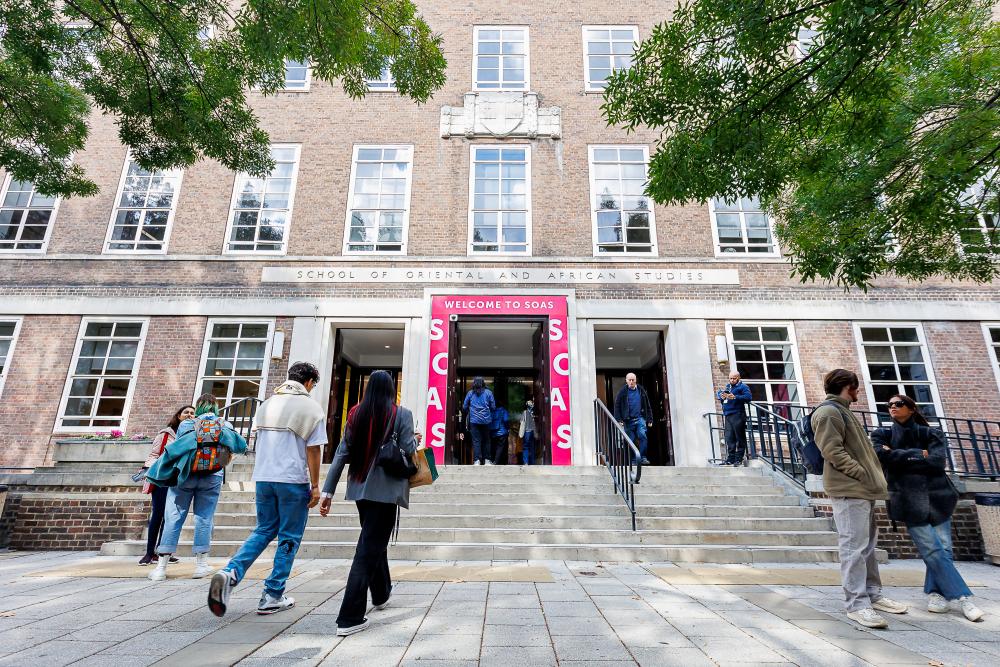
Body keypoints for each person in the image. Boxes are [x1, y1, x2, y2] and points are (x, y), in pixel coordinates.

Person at [208, 362, 326, 617]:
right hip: (292, 480)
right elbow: (314, 449)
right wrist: (316, 485)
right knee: (289, 537)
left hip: (263, 477)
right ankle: (273, 594)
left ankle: (231, 572)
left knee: (264, 529)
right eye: (314, 384)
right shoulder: (311, 408)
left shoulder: (267, 404)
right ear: (308, 382)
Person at [318, 370, 419, 636]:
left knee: (373, 541)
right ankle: (349, 617)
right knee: (367, 550)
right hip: (385, 491)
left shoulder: (355, 414)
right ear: (390, 388)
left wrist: (327, 492)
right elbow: (409, 450)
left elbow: (341, 454)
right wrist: (415, 440)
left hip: (360, 489)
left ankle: (382, 592)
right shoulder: (402, 414)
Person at [872, 394, 984, 622]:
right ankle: (963, 597)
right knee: (932, 550)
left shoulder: (932, 432)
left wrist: (898, 456)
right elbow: (881, 456)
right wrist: (917, 455)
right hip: (908, 500)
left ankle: (935, 594)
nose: (893, 407)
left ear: (912, 408)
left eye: (898, 404)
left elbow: (936, 462)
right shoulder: (881, 434)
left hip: (938, 496)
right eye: (889, 405)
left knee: (944, 548)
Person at [812, 369, 908, 629]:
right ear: (847, 386)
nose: (859, 391)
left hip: (862, 489)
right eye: (856, 386)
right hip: (849, 488)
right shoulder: (828, 412)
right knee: (853, 548)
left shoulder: (842, 411)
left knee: (865, 547)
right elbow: (831, 450)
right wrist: (861, 473)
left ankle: (872, 595)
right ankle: (857, 604)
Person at [145, 393, 247, 582]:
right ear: (216, 408)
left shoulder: (186, 424)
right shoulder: (225, 425)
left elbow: (178, 449)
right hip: (213, 476)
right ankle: (201, 565)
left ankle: (161, 568)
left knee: (173, 518)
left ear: (198, 408)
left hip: (185, 475)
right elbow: (238, 448)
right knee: (204, 518)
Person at [138, 404, 195, 566]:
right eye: (186, 413)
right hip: (163, 479)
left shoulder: (191, 435)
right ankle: (149, 553)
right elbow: (153, 455)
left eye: (192, 413)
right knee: (158, 515)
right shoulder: (166, 434)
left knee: (171, 517)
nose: (190, 415)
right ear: (179, 416)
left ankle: (162, 551)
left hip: (178, 479)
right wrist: (154, 471)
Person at [613, 373, 653, 465]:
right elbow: (617, 406)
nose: (631, 382)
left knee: (642, 436)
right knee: (630, 440)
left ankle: (643, 457)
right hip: (628, 420)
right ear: (626, 381)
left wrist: (650, 419)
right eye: (629, 380)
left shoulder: (641, 390)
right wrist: (619, 420)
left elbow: (647, 405)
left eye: (633, 380)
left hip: (640, 419)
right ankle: (634, 460)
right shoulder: (622, 392)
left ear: (636, 380)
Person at [716, 371, 752, 465]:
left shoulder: (743, 386)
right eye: (730, 378)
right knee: (729, 438)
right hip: (728, 415)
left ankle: (739, 459)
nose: (732, 380)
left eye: (734, 378)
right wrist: (722, 397)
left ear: (738, 378)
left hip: (738, 414)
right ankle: (730, 459)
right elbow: (724, 399)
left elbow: (748, 397)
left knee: (739, 437)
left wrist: (735, 397)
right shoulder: (728, 387)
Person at [463, 376, 495, 465]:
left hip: (474, 421)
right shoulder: (488, 393)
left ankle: (476, 460)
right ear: (483, 383)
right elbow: (493, 407)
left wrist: (471, 410)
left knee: (476, 441)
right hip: (486, 421)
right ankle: (487, 460)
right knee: (487, 440)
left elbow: (464, 406)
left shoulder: (470, 393)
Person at [520, 399, 536, 465]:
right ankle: (532, 462)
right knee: (532, 447)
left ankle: (526, 462)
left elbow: (522, 422)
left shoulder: (525, 412)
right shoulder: (533, 412)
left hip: (527, 431)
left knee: (525, 447)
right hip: (532, 431)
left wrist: (521, 433)